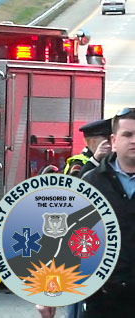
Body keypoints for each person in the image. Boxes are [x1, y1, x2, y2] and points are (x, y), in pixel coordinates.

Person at [81, 108, 135, 316]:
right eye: (127, 134)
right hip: (104, 300)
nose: (133, 140)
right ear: (113, 140)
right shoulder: (92, 183)